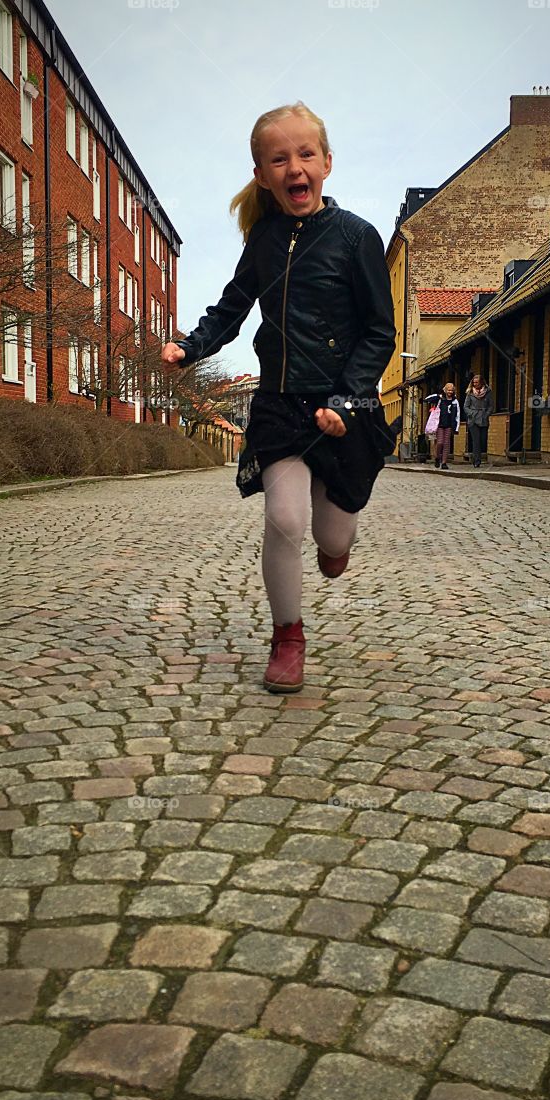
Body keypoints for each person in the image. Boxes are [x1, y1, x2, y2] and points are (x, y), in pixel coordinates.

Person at [160, 101, 396, 694]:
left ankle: (337, 545)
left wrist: (346, 400)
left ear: (327, 163)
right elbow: (233, 307)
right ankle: (288, 636)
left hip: (346, 407)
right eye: (279, 158)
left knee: (332, 538)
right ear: (263, 174)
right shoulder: (263, 239)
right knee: (285, 520)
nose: (295, 167)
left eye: (306, 154)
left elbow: (379, 331)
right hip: (281, 406)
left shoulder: (357, 237)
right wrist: (192, 346)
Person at [463, 374, 494, 467]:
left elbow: (491, 405)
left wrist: (486, 414)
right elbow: (466, 406)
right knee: (476, 440)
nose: (475, 384)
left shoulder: (488, 392)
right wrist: (472, 414)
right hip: (473, 420)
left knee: (483, 440)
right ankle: (477, 460)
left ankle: (475, 457)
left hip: (484, 418)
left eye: (477, 382)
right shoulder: (470, 393)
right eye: (474, 382)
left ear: (481, 382)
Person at [434, 382, 459, 469]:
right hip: (440, 424)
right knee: (440, 442)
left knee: (446, 443)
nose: (450, 392)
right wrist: (438, 396)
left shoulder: (455, 401)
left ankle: (444, 462)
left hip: (449, 424)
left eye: (452, 390)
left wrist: (456, 427)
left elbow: (457, 415)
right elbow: (434, 409)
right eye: (448, 390)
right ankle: (437, 457)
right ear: (445, 390)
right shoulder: (440, 400)